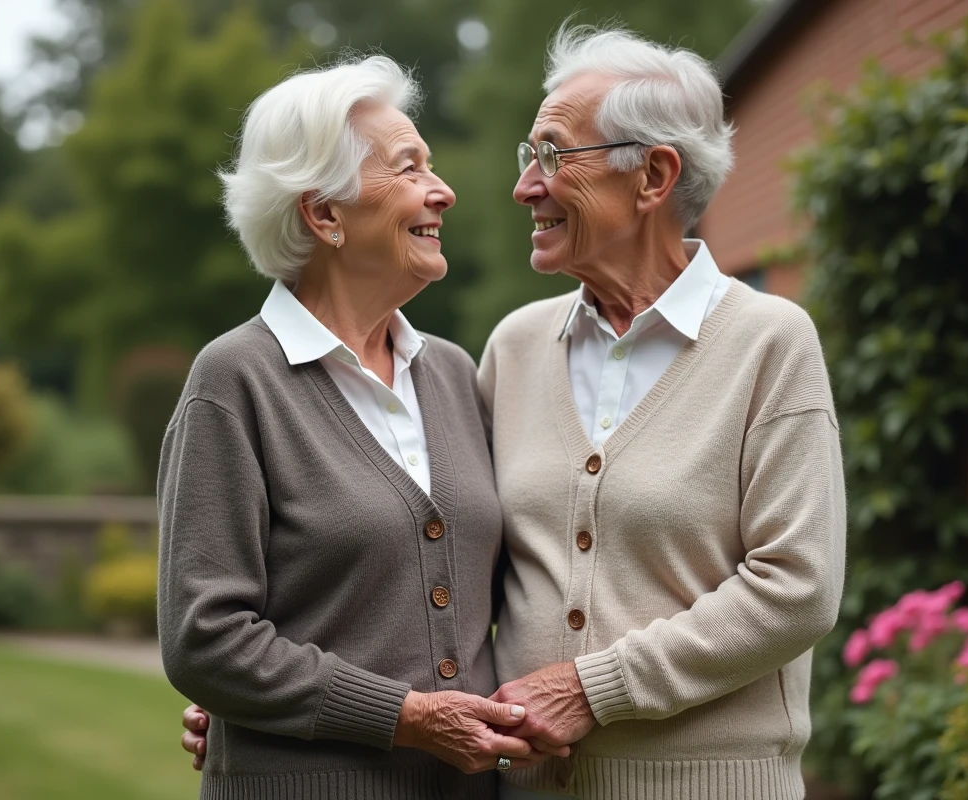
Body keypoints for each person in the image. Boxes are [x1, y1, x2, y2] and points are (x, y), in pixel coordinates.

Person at [182, 24, 847, 800]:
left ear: (653, 176)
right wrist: (265, 696)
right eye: (529, 156)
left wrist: (592, 689)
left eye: (554, 156)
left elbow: (797, 587)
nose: (525, 186)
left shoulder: (769, 342)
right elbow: (447, 565)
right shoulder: (515, 348)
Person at [157, 55, 561, 800]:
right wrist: (408, 718)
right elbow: (204, 638)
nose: (443, 190)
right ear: (324, 214)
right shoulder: (235, 380)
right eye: (410, 168)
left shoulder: (450, 371)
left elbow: (506, 585)